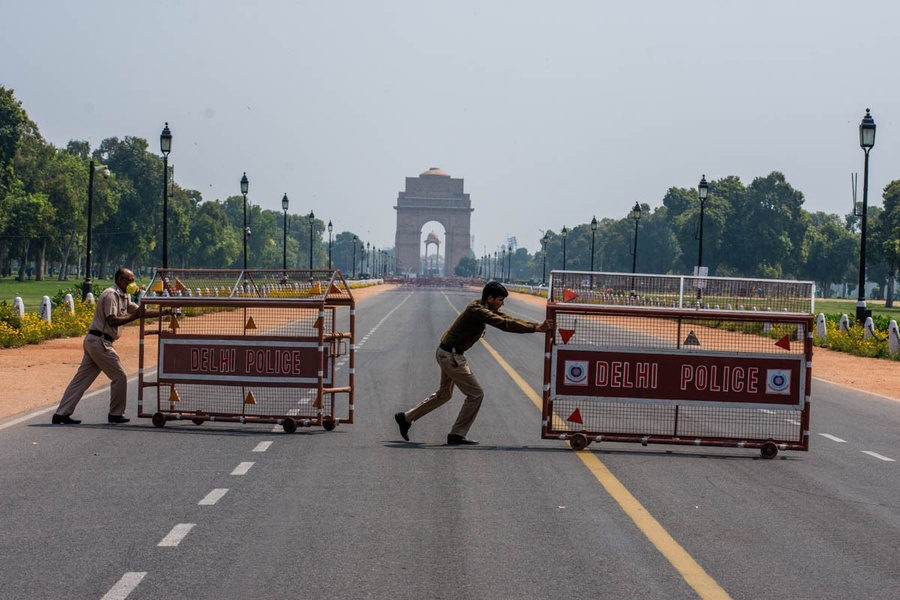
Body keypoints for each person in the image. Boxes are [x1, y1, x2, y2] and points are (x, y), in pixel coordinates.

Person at [394, 281, 553, 445]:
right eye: (500, 300)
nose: (502, 303)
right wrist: (535, 329)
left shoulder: (485, 307)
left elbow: (507, 318)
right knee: (476, 394)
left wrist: (536, 326)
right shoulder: (477, 310)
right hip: (452, 356)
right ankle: (456, 434)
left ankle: (406, 418)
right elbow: (504, 324)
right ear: (490, 298)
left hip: (448, 354)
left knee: (444, 395)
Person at [52, 267, 169, 425]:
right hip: (100, 341)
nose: (133, 283)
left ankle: (61, 413)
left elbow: (140, 311)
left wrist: (165, 311)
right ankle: (116, 413)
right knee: (120, 376)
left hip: (95, 341)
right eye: (130, 280)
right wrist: (134, 316)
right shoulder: (111, 295)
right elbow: (112, 320)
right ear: (120, 280)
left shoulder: (123, 296)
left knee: (81, 380)